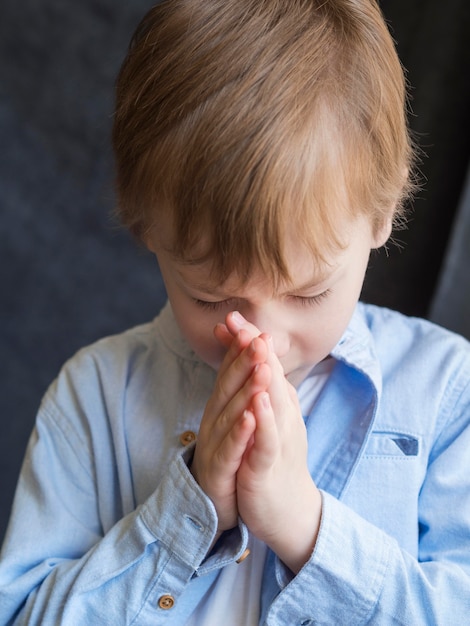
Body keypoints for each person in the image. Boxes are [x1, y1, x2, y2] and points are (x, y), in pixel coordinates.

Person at [1, 0, 469, 623]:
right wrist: (189, 514)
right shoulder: (92, 401)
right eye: (212, 298)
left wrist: (306, 527)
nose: (263, 340)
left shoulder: (446, 397)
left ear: (382, 215)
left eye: (307, 293)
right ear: (147, 231)